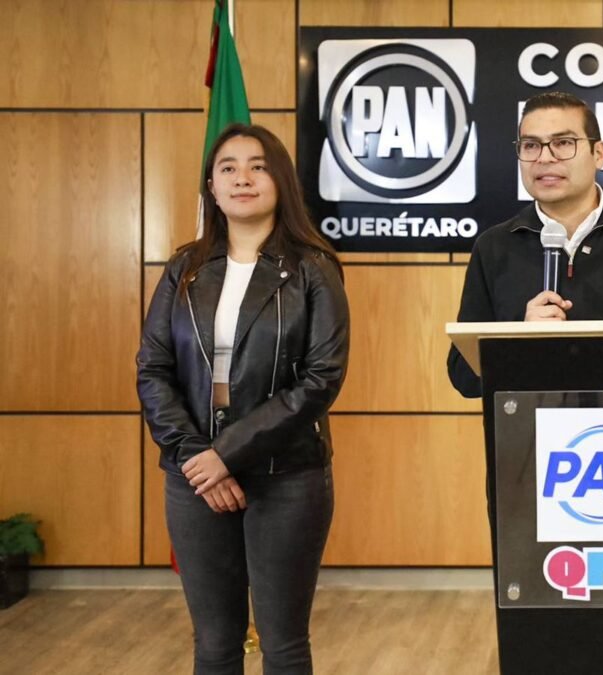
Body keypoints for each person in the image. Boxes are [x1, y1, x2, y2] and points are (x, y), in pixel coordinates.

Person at [137, 123, 350, 674]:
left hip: (287, 476)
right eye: (227, 168)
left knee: (283, 644)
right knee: (214, 644)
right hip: (195, 478)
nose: (243, 178)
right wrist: (197, 458)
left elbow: (321, 379)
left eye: (258, 166)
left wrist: (226, 454)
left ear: (281, 180)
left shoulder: (314, 268)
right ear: (211, 187)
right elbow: (153, 370)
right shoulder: (184, 268)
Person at [446, 91, 603, 398]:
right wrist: (518, 344)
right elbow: (463, 375)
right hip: (527, 428)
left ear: (599, 154)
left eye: (563, 143)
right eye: (531, 145)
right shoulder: (494, 247)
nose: (544, 158)